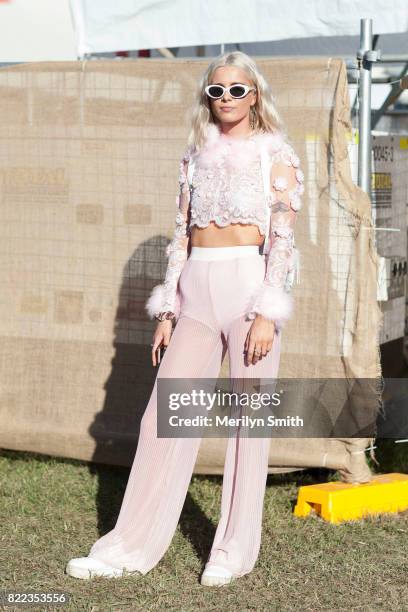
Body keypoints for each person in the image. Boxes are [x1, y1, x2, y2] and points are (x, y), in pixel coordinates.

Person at [66, 50, 304, 587]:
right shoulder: (194, 156)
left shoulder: (277, 155)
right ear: (207, 98)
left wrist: (268, 310)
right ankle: (127, 545)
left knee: (250, 424)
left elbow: (283, 243)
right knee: (162, 420)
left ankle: (232, 551)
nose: (225, 99)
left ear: (255, 95)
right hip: (196, 291)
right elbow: (180, 234)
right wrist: (168, 309)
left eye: (236, 89)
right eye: (216, 90)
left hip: (249, 293)